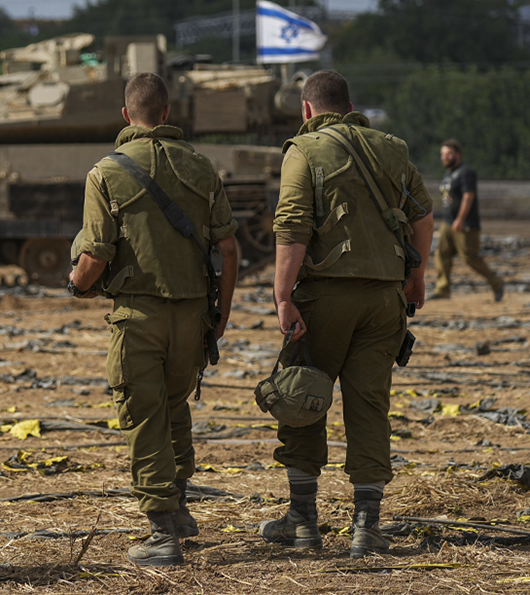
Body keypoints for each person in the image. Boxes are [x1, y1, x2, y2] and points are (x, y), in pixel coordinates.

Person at [68, 72, 239, 567]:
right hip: (193, 316)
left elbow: (96, 253)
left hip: (138, 317)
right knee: (173, 404)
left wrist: (77, 283)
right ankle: (181, 506)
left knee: (143, 418)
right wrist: (220, 315)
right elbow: (228, 246)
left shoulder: (106, 173)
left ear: (127, 115)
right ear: (167, 113)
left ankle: (162, 530)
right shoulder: (202, 167)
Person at [261, 70, 433, 558]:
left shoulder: (304, 150)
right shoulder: (392, 148)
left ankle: (302, 521)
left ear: (307, 110)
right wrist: (415, 278)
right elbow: (422, 215)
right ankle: (366, 527)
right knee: (370, 406)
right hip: (384, 301)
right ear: (350, 104)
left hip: (325, 299)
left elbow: (292, 226)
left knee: (302, 396)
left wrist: (282, 296)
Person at [431, 139, 504, 301]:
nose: (445, 157)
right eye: (443, 154)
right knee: (441, 254)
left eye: (449, 154)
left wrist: (460, 219)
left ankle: (496, 283)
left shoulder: (466, 172)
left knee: (470, 258)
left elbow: (468, 196)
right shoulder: (448, 174)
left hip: (465, 223)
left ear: (458, 155)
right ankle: (443, 289)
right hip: (447, 222)